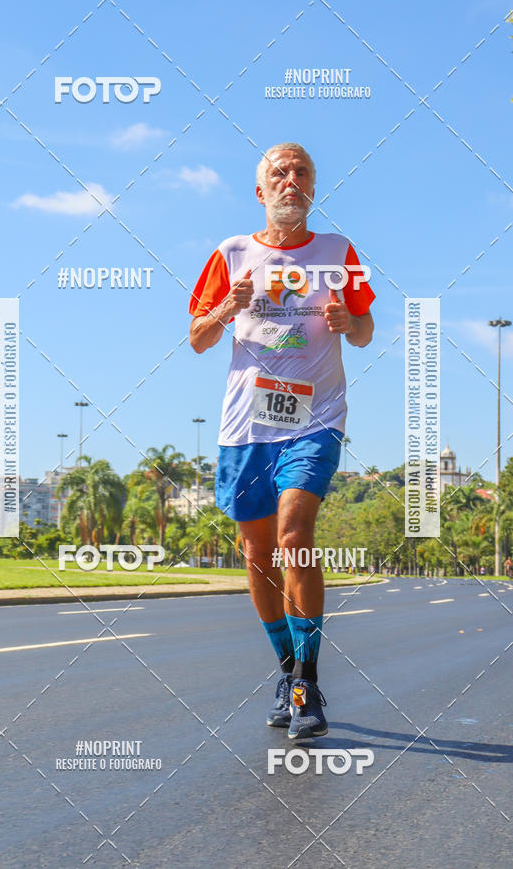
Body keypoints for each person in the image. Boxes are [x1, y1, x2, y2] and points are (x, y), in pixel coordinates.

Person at [188, 143, 375, 739]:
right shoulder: (231, 253)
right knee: (258, 556)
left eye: (302, 173)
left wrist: (352, 322)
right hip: (247, 427)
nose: (291, 180)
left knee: (296, 535)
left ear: (313, 189)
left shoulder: (339, 253)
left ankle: (308, 684)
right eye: (279, 173)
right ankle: (287, 668)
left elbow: (368, 330)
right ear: (261, 191)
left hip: (315, 419)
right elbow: (196, 338)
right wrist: (224, 309)